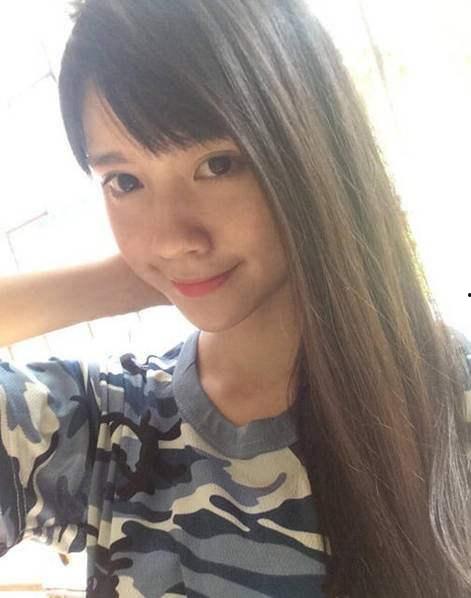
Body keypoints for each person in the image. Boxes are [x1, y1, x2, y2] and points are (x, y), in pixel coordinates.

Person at [0, 1, 470, 596]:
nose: (173, 235)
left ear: (312, 151)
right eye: (125, 181)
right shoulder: (101, 428)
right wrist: (127, 278)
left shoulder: (452, 399)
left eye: (218, 164)